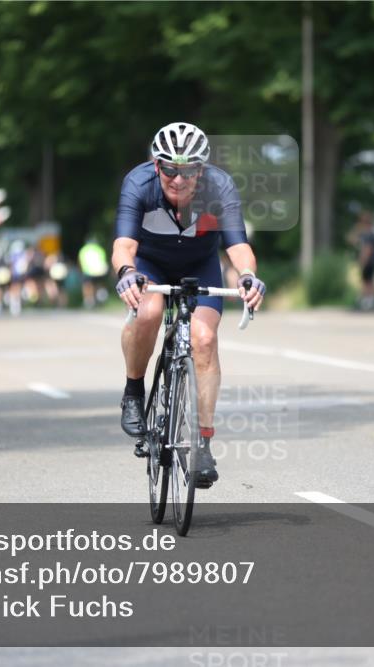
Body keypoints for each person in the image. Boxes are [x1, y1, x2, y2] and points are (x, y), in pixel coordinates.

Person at [113, 122, 266, 487]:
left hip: (201, 266)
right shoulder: (139, 185)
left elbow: (238, 245)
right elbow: (124, 244)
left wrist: (247, 275)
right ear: (156, 166)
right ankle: (134, 391)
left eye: (188, 171)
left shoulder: (219, 186)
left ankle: (202, 442)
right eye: (169, 169)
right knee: (148, 312)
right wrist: (126, 272)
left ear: (202, 170)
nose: (178, 179)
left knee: (204, 339)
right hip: (149, 265)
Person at [348, 211, 374, 310]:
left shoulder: (369, 235)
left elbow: (368, 249)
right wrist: (357, 229)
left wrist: (363, 260)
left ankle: (368, 301)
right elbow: (351, 240)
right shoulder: (365, 234)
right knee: (368, 281)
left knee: (367, 282)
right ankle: (368, 301)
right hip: (370, 261)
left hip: (368, 261)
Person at [78, 237, 109, 308]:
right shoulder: (100, 249)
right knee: (100, 284)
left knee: (87, 286)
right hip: (100, 271)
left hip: (88, 271)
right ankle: (101, 295)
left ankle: (89, 300)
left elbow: (80, 261)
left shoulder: (84, 249)